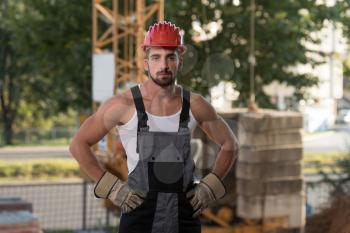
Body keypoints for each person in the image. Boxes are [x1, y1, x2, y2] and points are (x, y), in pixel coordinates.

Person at [69, 21, 239, 233]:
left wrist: (209, 187)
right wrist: (112, 188)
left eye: (171, 57)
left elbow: (230, 145)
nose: (164, 65)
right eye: (156, 57)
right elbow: (78, 144)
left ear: (180, 60)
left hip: (184, 216)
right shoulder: (123, 105)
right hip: (139, 215)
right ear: (146, 62)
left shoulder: (195, 105)